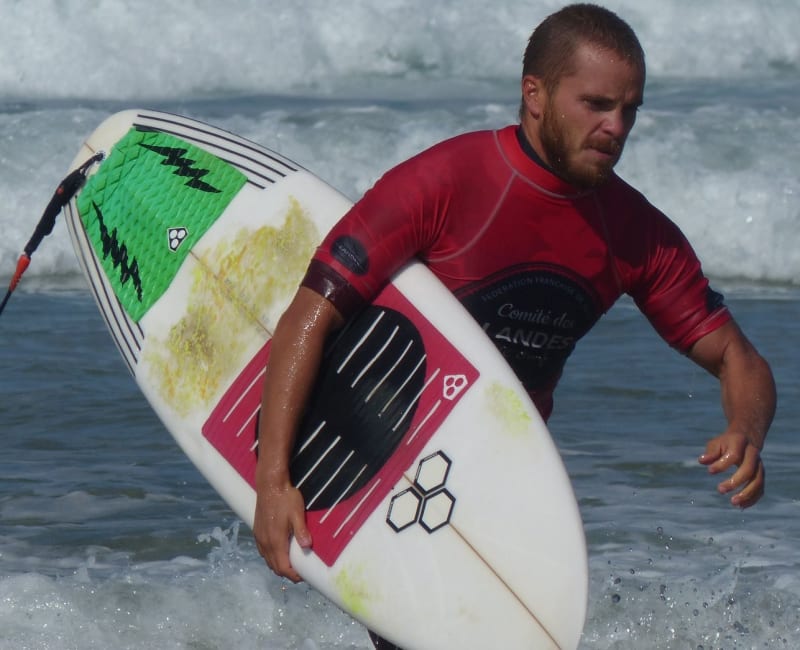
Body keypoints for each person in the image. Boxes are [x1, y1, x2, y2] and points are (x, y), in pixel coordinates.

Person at [253, 3, 776, 649]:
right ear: (536, 94)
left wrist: (745, 431)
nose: (616, 127)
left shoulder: (634, 233)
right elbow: (314, 310)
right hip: (373, 449)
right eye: (596, 104)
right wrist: (273, 482)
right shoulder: (446, 181)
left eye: (630, 110)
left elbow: (738, 359)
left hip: (495, 482)